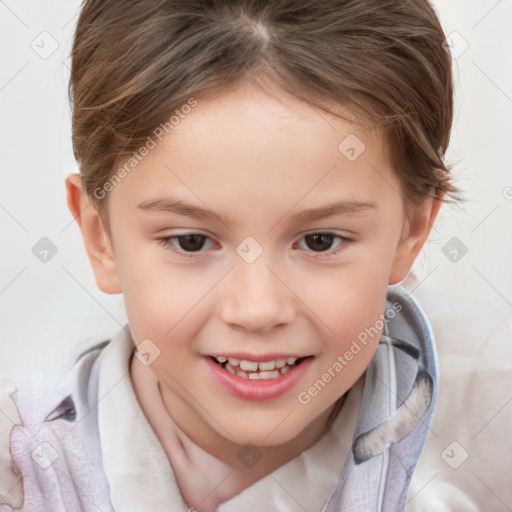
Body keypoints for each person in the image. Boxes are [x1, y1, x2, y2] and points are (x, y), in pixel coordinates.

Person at [1, 0, 511, 510]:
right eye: (191, 241)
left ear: (412, 230)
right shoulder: (20, 473)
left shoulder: (492, 433)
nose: (257, 309)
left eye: (320, 241)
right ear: (101, 237)